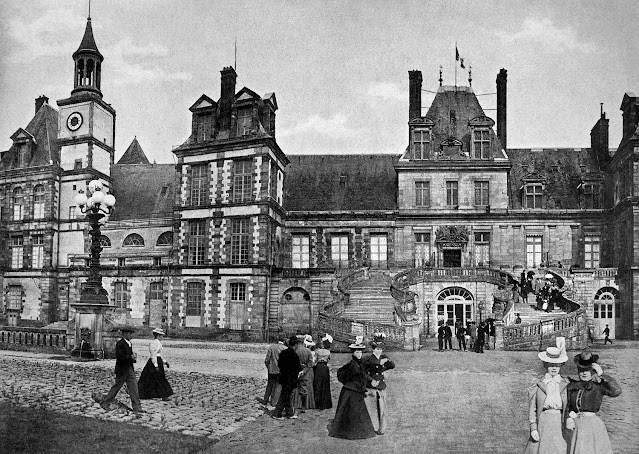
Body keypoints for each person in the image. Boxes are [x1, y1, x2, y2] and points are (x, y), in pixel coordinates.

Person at [565, 351, 622, 453]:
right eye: (581, 370)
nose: (584, 373)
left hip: (593, 426)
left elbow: (616, 391)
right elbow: (567, 405)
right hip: (577, 426)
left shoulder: (599, 386)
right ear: (578, 370)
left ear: (592, 370)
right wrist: (568, 418)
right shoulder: (572, 386)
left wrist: (602, 374)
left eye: (587, 370)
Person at [328, 336, 377, 439]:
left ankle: (351, 431)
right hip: (351, 391)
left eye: (360, 352)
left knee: (354, 412)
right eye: (357, 352)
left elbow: (362, 375)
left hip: (354, 390)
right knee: (353, 412)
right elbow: (353, 377)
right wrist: (361, 388)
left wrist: (370, 380)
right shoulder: (353, 365)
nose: (359, 354)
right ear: (353, 353)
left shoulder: (359, 364)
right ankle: (351, 433)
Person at [523, 346, 569, 454]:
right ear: (545, 365)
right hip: (544, 422)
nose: (554, 368)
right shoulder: (538, 384)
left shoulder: (565, 384)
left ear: (561, 365)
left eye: (557, 365)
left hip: (559, 423)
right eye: (550, 365)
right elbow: (532, 409)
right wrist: (533, 428)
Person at [96, 326, 144, 413]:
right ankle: (105, 402)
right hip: (122, 370)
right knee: (116, 387)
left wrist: (133, 358)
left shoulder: (129, 343)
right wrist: (130, 357)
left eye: (132, 333)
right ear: (124, 334)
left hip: (129, 369)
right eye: (130, 333)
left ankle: (137, 407)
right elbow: (120, 358)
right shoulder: (120, 343)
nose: (131, 335)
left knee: (134, 388)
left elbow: (128, 358)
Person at [362, 333, 396, 435]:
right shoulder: (368, 359)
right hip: (372, 386)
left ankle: (381, 428)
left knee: (382, 407)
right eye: (377, 349)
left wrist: (386, 361)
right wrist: (370, 379)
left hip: (381, 385)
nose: (379, 351)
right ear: (373, 349)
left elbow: (392, 366)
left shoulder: (383, 357)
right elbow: (363, 372)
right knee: (372, 408)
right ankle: (373, 427)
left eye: (380, 349)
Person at [138, 328, 173, 401]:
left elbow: (158, 355)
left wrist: (165, 362)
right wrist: (156, 365)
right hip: (154, 362)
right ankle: (163, 395)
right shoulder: (154, 343)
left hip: (157, 361)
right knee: (158, 378)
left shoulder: (158, 343)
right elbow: (153, 355)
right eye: (161, 336)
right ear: (158, 336)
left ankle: (151, 394)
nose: (162, 337)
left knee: (154, 378)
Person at [273, 336, 303, 420]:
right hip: (290, 379)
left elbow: (279, 365)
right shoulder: (294, 355)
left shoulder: (283, 353)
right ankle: (277, 413)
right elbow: (297, 368)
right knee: (285, 396)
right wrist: (301, 368)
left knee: (287, 395)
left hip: (283, 377)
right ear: (295, 344)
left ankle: (290, 413)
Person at [292, 334, 315, 412]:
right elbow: (310, 364)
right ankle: (304, 406)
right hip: (305, 371)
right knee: (304, 388)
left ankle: (294, 404)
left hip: (295, 371)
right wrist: (304, 370)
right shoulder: (308, 351)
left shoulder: (294, 350)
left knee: (294, 388)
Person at [262, 336, 287, 408]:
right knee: (278, 386)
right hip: (280, 370)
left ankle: (265, 400)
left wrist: (268, 367)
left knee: (269, 385)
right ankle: (274, 402)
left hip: (271, 369)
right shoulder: (285, 348)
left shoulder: (272, 347)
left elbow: (267, 359)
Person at [313, 334, 333, 410]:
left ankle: (317, 403)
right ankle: (325, 403)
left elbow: (314, 360)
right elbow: (328, 360)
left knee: (317, 384)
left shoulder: (317, 351)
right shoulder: (328, 352)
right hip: (325, 368)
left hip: (318, 367)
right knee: (325, 385)